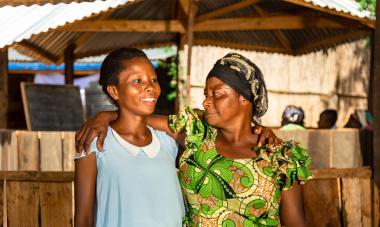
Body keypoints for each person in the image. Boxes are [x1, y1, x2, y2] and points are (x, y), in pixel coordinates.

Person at [76, 53, 312, 226]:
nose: (206, 102)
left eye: (217, 94)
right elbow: (139, 117)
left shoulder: (280, 157)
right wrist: (106, 115)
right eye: (206, 94)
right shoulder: (196, 134)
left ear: (244, 98)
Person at [74, 48, 185, 227]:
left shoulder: (168, 140)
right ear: (114, 91)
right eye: (137, 81)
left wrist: (110, 115)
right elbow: (83, 219)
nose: (150, 87)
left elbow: (200, 131)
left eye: (154, 80)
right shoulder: (95, 141)